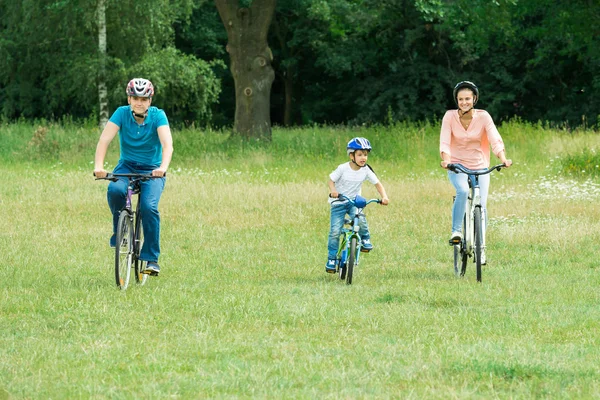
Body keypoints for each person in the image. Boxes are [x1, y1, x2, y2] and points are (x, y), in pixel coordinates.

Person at [94, 78, 173, 276]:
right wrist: (99, 166)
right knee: (115, 190)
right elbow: (104, 140)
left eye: (144, 99)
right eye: (135, 98)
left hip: (152, 170)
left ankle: (151, 259)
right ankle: (119, 232)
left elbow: (167, 145)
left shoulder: (158, 116)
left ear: (150, 101)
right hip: (126, 166)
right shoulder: (121, 113)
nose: (139, 102)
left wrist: (162, 167)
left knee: (149, 207)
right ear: (129, 99)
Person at [439, 80, 512, 263]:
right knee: (463, 191)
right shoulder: (449, 116)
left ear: (474, 99)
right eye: (461, 99)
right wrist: (446, 161)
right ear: (457, 100)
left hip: (480, 166)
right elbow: (445, 142)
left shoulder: (484, 116)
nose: (464, 102)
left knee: (482, 205)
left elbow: (495, 138)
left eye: (468, 99)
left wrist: (502, 158)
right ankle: (456, 231)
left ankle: (481, 248)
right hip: (457, 165)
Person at [326, 137, 389, 273]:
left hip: (353, 201)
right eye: (360, 154)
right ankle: (331, 259)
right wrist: (333, 191)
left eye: (365, 155)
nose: (363, 158)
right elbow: (331, 180)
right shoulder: (343, 168)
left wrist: (384, 197)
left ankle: (365, 239)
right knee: (335, 231)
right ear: (351, 156)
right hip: (338, 202)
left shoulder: (366, 170)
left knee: (360, 219)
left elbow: (378, 184)